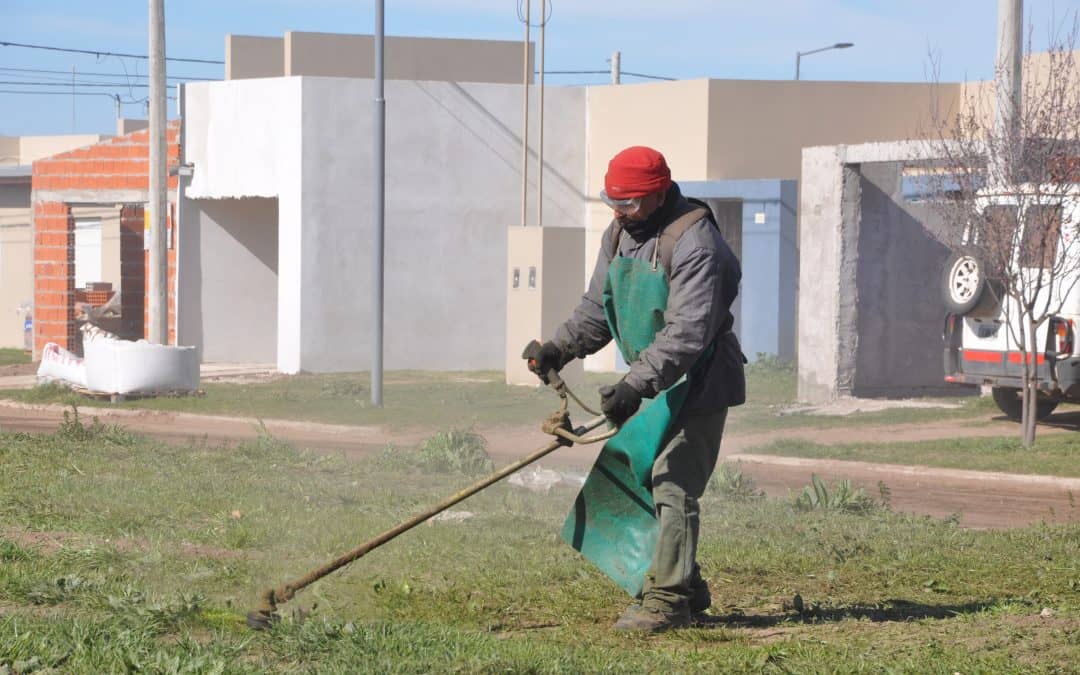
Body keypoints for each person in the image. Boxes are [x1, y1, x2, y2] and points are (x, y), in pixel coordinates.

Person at [524, 146, 745, 632]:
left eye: (628, 203)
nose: (618, 212)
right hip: (653, 381)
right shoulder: (620, 233)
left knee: (672, 481)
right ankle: (686, 583)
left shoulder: (695, 242)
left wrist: (633, 386)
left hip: (699, 380)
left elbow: (687, 333)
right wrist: (559, 348)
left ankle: (668, 602)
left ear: (660, 192)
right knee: (632, 476)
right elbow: (598, 307)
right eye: (613, 202)